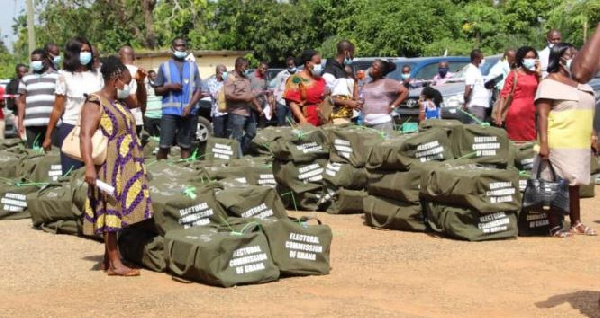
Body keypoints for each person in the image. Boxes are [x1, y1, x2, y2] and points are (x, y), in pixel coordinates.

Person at [80, 55, 152, 276]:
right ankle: (115, 263)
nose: (127, 86)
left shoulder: (119, 101)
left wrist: (140, 83)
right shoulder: (95, 102)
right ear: (115, 80)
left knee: (123, 208)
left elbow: (141, 104)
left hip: (127, 162)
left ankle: (107, 258)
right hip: (110, 164)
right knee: (111, 208)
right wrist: (89, 167)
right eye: (126, 81)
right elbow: (85, 135)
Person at [535, 43, 597, 238]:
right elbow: (542, 116)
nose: (574, 57)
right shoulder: (549, 83)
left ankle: (576, 222)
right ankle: (554, 224)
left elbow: (587, 113)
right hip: (559, 140)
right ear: (558, 58)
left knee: (575, 183)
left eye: (575, 53)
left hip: (579, 142)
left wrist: (593, 135)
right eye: (569, 54)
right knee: (558, 183)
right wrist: (544, 143)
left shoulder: (581, 83)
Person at [43, 37, 104, 175]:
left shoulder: (98, 75)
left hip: (95, 130)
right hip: (71, 129)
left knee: (96, 173)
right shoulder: (64, 76)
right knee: (71, 175)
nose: (87, 54)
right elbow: (57, 109)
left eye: (88, 51)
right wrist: (48, 136)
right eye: (83, 51)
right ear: (73, 53)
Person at [153, 37, 202, 160]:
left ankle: (184, 172)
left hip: (188, 112)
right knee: (164, 146)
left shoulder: (193, 66)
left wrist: (189, 107)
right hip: (170, 113)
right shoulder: (164, 66)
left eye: (183, 46)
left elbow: (198, 90)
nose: (180, 48)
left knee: (186, 146)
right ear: (172, 48)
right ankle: (160, 172)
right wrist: (169, 86)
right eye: (178, 45)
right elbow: (156, 90)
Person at [494, 46, 541, 141]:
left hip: (532, 113)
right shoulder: (514, 74)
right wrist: (499, 115)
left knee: (532, 140)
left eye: (533, 57)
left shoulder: (536, 75)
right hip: (516, 112)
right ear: (521, 59)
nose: (531, 60)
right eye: (528, 57)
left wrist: (539, 73)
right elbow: (503, 95)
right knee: (516, 141)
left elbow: (542, 90)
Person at [17, 48, 60, 149]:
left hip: (52, 125)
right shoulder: (25, 79)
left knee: (52, 157)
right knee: (33, 156)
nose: (35, 63)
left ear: (45, 60)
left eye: (37, 60)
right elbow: (21, 103)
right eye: (33, 61)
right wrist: (20, 124)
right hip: (32, 125)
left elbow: (61, 101)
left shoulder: (57, 77)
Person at [225, 57, 262, 155]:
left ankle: (240, 151)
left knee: (252, 133)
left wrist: (258, 107)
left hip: (248, 111)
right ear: (238, 66)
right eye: (244, 67)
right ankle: (238, 158)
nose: (246, 69)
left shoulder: (246, 78)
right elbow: (228, 95)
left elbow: (250, 95)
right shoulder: (231, 78)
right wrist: (243, 98)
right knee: (237, 136)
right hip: (236, 112)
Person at [361, 59, 409, 132]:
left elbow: (405, 92)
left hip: (382, 123)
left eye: (374, 68)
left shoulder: (387, 82)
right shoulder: (367, 84)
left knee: (384, 143)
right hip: (367, 123)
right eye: (371, 67)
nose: (371, 69)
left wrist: (392, 106)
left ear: (381, 72)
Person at [283, 50, 326, 126]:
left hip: (323, 120)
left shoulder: (321, 80)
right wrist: (301, 118)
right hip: (306, 120)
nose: (319, 65)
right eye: (317, 63)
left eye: (320, 63)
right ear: (308, 63)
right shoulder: (296, 78)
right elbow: (293, 102)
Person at [118, 46, 147, 136]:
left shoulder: (116, 72)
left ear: (119, 57)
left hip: (119, 116)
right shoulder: (141, 72)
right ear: (134, 57)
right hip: (136, 116)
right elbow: (143, 99)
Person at [463, 49, 491, 122]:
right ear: (476, 59)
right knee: (476, 127)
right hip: (476, 104)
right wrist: (465, 102)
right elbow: (469, 88)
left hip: (480, 104)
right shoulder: (471, 71)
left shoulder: (477, 70)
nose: (482, 61)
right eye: (481, 58)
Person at [272, 57, 297, 126]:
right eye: (288, 65)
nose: (290, 66)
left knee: (292, 123)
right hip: (281, 102)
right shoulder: (282, 74)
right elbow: (276, 88)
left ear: (295, 64)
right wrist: (274, 102)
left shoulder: (299, 74)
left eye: (292, 64)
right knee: (281, 123)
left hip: (294, 102)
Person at [248, 61, 273, 128]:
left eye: (266, 69)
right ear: (259, 67)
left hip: (262, 104)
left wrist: (270, 106)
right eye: (263, 68)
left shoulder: (266, 78)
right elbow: (246, 91)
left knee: (262, 126)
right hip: (252, 104)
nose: (264, 70)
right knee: (252, 125)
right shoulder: (250, 76)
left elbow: (269, 90)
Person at [6, 64, 28, 139]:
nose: (24, 74)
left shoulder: (27, 81)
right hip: (19, 115)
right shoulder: (14, 83)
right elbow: (16, 101)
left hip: (28, 114)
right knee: (24, 137)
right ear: (17, 72)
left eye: (25, 71)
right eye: (22, 72)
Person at [207, 64, 228, 138]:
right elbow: (215, 95)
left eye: (225, 72)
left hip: (228, 111)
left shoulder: (228, 81)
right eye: (222, 72)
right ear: (217, 73)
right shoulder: (211, 82)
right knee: (219, 133)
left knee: (226, 134)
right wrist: (225, 87)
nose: (224, 74)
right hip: (218, 112)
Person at [143, 70, 163, 137]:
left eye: (156, 75)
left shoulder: (161, 85)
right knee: (150, 136)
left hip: (160, 115)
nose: (155, 77)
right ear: (149, 77)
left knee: (162, 136)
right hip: (149, 115)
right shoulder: (146, 86)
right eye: (153, 76)